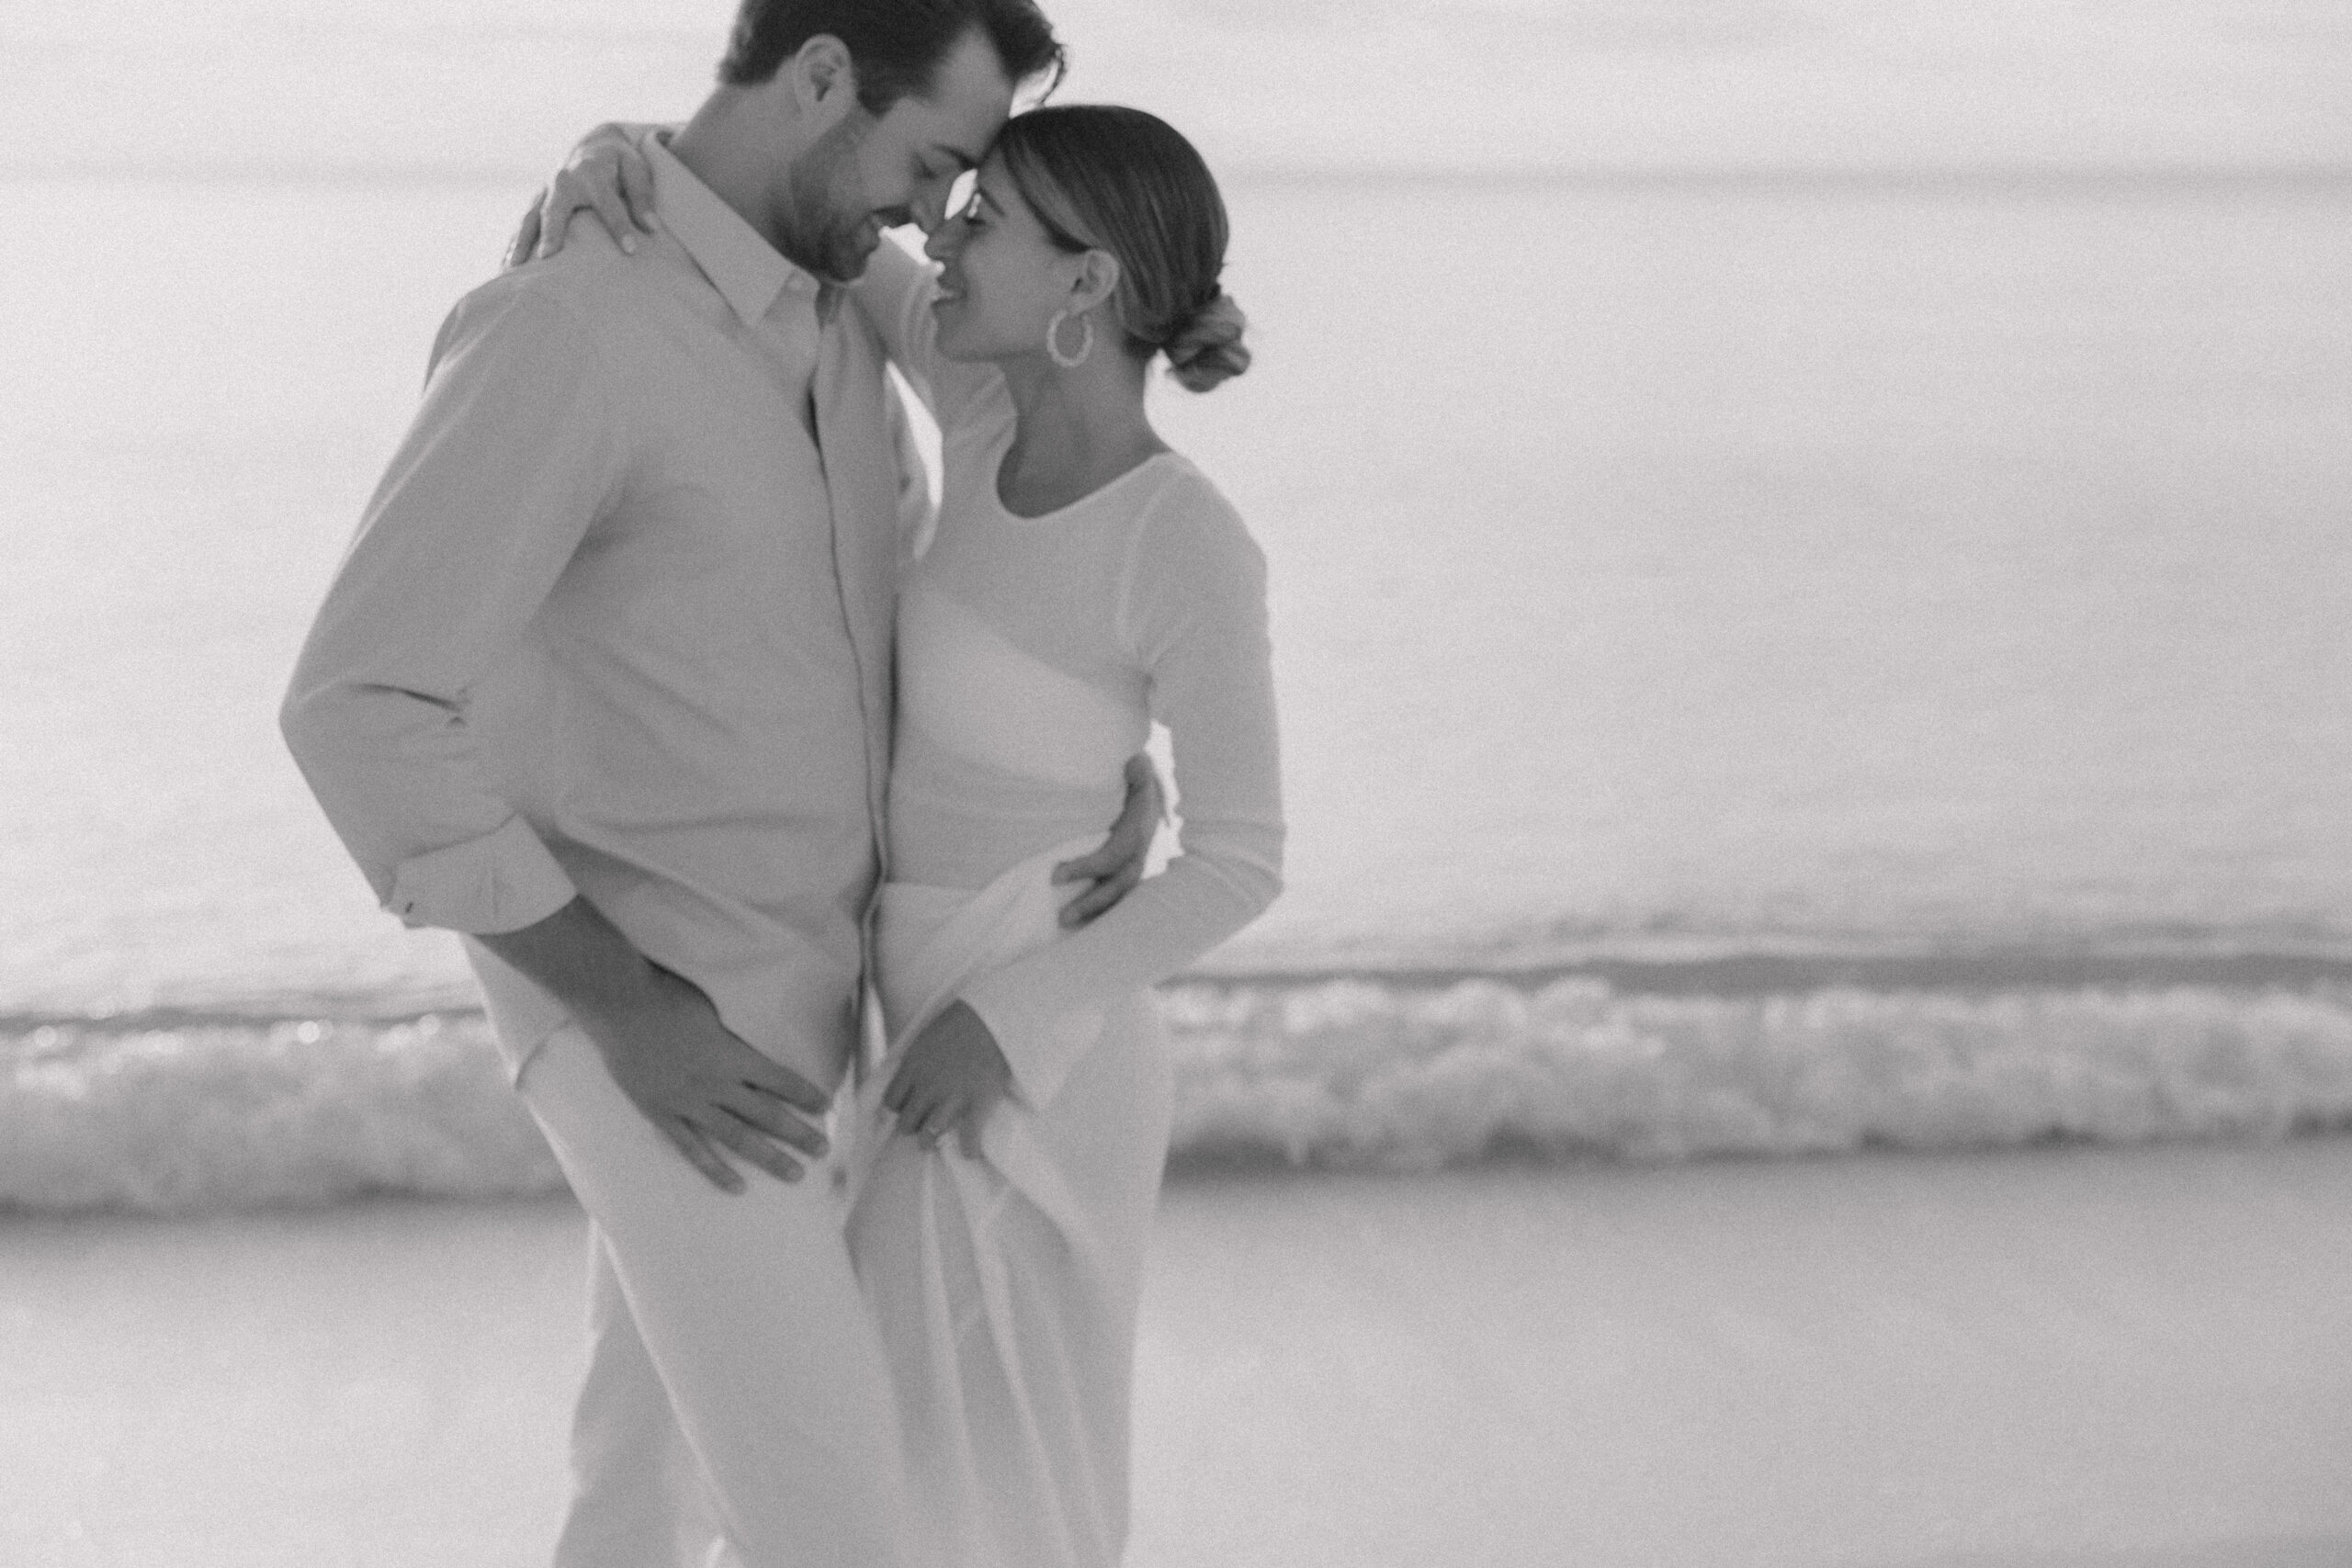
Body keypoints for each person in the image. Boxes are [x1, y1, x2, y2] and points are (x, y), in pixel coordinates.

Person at [278, 5, 1166, 1565]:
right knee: (847, 1535)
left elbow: (967, 591)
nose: (934, 215)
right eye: (932, 162)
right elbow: (357, 703)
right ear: (822, 78)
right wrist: (628, 1012)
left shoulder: (839, 312)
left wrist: (1106, 760)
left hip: (815, 1019)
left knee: (638, 1502)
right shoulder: (567, 330)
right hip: (661, 1039)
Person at [533, 101, 1283, 1568]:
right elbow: (786, 210)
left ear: (1087, 284)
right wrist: (615, 150)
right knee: (870, 1468)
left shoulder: (1183, 540)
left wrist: (1003, 1021)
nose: (940, 229)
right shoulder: (979, 397)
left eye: (985, 218)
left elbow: (1246, 862)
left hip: (1033, 1057)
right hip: (901, 1010)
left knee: (1002, 1494)